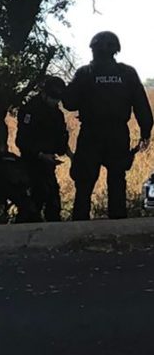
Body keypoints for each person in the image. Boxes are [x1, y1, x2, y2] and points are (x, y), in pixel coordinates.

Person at [63, 31, 152, 220]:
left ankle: (79, 226)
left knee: (84, 183)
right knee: (117, 181)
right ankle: (117, 225)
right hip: (118, 134)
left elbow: (69, 103)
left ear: (93, 50)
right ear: (116, 50)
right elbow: (141, 105)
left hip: (91, 134)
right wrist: (145, 132)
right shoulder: (127, 73)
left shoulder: (85, 73)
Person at [16, 76, 71, 222]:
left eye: (58, 99)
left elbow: (60, 138)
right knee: (32, 207)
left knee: (53, 205)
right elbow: (22, 141)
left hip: (48, 165)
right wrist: (40, 154)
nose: (55, 101)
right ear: (44, 93)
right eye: (53, 97)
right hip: (30, 165)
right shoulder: (29, 110)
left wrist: (69, 154)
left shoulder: (57, 113)